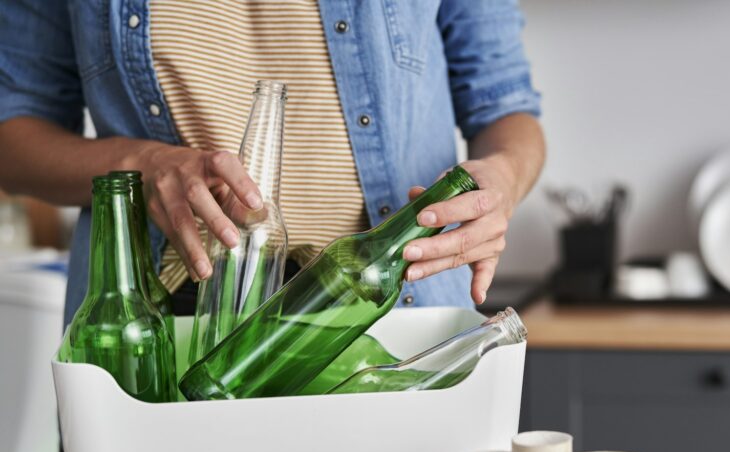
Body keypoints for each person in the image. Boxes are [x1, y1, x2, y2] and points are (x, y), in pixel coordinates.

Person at [0, 0, 545, 325]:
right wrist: (139, 164)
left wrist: (502, 180)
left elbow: (506, 106)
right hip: (171, 326)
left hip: (395, 311)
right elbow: (14, 132)